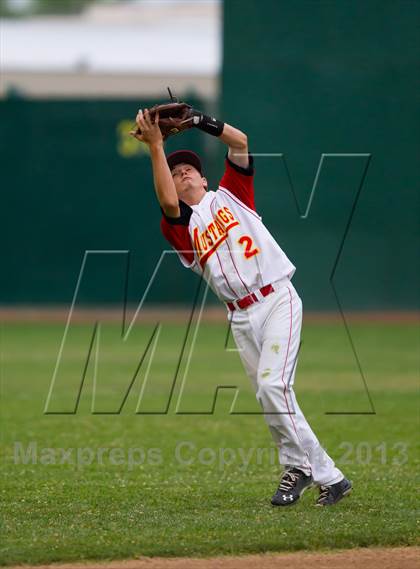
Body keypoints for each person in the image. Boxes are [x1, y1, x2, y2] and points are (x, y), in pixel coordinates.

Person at [130, 107, 352, 507]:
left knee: (273, 386)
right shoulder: (179, 227)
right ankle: (300, 469)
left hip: (277, 298)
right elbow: (165, 200)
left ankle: (326, 475)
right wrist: (157, 148)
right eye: (175, 170)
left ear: (203, 177)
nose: (182, 173)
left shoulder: (232, 193)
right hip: (240, 317)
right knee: (270, 396)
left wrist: (199, 121)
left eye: (189, 169)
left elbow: (241, 141)